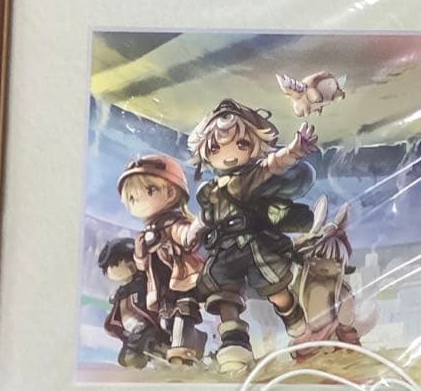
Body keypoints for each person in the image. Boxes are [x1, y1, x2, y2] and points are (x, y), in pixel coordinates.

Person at [187, 99, 318, 374]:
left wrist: (294, 151)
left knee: (277, 292)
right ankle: (234, 345)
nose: (229, 154)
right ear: (205, 151)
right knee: (224, 296)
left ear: (254, 144)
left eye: (241, 144)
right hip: (225, 251)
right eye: (216, 147)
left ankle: (299, 330)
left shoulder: (249, 177)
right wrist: (193, 231)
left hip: (254, 247)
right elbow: (206, 218)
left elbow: (272, 165)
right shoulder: (209, 191)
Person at [117, 153, 206, 367]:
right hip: (161, 289)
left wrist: (201, 222)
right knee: (167, 322)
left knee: (183, 315)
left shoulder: (172, 224)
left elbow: (187, 238)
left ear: (170, 192)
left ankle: (182, 356)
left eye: (148, 191)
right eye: (132, 198)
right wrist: (140, 253)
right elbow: (142, 265)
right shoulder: (145, 234)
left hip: (183, 285)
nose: (138, 201)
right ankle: (196, 343)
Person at [98, 237, 165, 369]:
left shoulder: (143, 282)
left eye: (113, 265)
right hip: (127, 323)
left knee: (138, 336)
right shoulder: (124, 289)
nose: (110, 271)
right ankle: (132, 356)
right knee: (130, 343)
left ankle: (135, 356)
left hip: (142, 322)